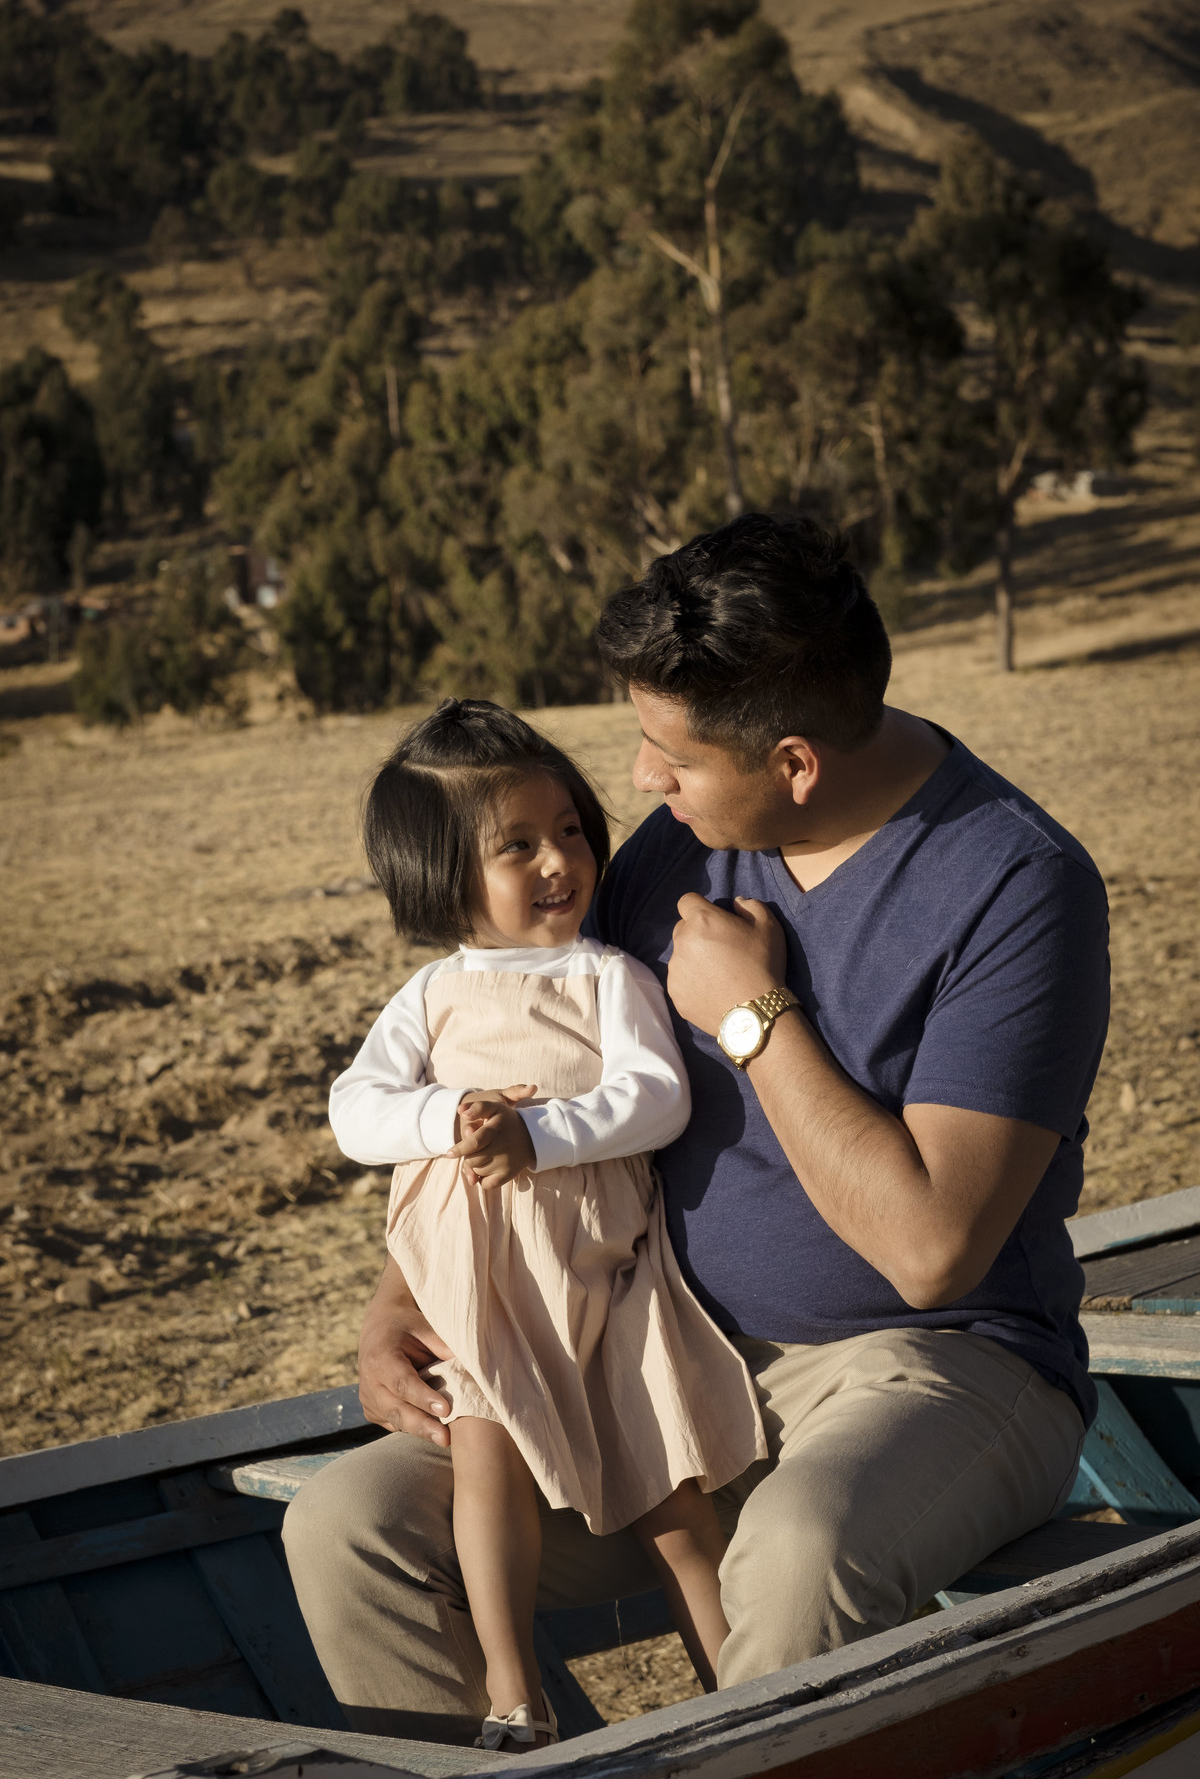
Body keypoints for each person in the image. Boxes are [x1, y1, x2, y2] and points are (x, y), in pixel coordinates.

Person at [283, 514, 1108, 1742]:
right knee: (351, 1527)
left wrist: (756, 1019)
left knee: (797, 1552)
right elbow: (529, 1063)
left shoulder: (1015, 887)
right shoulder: (677, 847)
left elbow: (934, 1248)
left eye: (669, 751)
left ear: (794, 763)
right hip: (645, 1344)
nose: (639, 785)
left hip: (932, 1368)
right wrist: (405, 1292)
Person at [323, 698, 765, 1750]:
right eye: (517, 845)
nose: (559, 860)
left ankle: (741, 1687)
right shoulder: (431, 998)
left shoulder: (604, 977)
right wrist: (445, 1117)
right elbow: (355, 1110)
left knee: (674, 1498)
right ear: (442, 877)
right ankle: (513, 1698)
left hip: (608, 1279)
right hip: (484, 1297)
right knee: (488, 1467)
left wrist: (544, 1136)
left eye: (569, 830)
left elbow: (659, 1096)